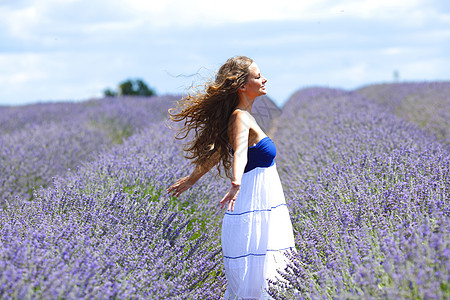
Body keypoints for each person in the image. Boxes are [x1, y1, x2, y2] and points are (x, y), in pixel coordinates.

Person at [167, 56, 295, 299]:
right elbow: (240, 154)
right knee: (259, 276)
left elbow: (218, 153)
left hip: (261, 203)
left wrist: (192, 179)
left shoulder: (243, 116)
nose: (264, 79)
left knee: (264, 274)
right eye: (258, 76)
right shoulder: (240, 117)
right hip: (253, 203)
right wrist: (236, 182)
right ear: (242, 86)